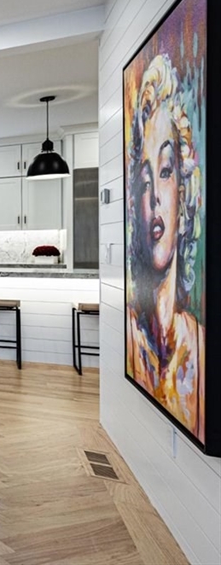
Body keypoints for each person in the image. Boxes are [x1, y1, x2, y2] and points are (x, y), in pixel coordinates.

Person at [126, 53, 204, 441]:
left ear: (186, 192)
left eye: (166, 171)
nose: (154, 195)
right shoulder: (127, 335)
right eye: (144, 180)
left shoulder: (202, 350)